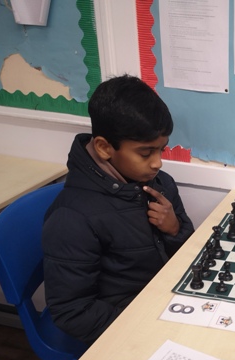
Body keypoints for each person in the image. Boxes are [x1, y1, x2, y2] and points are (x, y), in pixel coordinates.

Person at [43, 75, 195, 344]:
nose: (157, 163)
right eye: (146, 153)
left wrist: (174, 230)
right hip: (125, 324)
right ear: (104, 148)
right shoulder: (72, 218)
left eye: (161, 150)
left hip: (164, 299)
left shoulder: (160, 183)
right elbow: (73, 312)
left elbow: (187, 251)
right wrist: (143, 327)